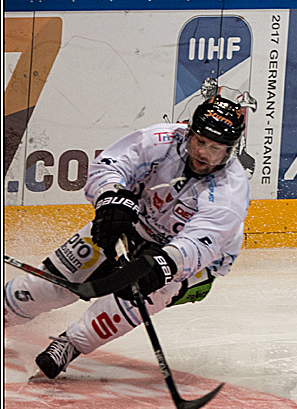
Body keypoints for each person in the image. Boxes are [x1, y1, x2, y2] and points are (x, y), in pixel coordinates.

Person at [4, 96, 252, 380]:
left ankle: (71, 344)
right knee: (45, 288)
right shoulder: (160, 140)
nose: (204, 153)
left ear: (230, 151)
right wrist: (110, 198)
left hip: (190, 261)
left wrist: (166, 264)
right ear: (189, 132)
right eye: (200, 141)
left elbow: (203, 241)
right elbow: (109, 165)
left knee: (132, 297)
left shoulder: (229, 190)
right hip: (135, 225)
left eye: (215, 148)